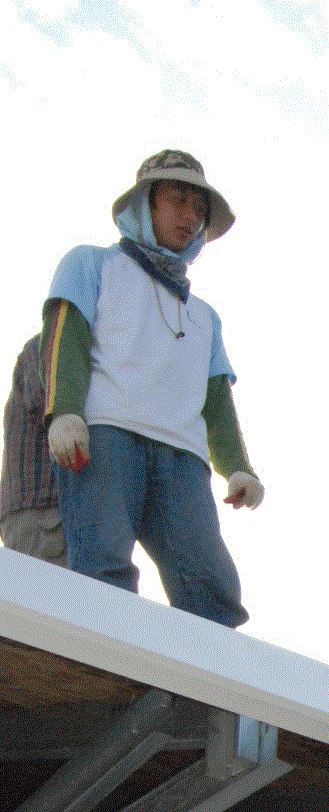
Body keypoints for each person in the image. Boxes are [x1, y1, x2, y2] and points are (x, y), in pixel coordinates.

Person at [42, 149, 263, 626]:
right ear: (146, 204)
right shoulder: (91, 264)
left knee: (212, 591)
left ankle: (205, 678)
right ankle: (104, 670)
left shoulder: (205, 317)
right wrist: (65, 412)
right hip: (107, 438)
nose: (190, 216)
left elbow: (217, 402)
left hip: (183, 460)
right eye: (178, 200)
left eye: (199, 208)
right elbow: (66, 339)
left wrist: (237, 468)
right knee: (103, 572)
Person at [1, 335, 65, 565]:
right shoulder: (49, 343)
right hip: (43, 513)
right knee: (55, 588)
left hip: (39, 515)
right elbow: (51, 405)